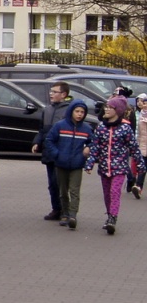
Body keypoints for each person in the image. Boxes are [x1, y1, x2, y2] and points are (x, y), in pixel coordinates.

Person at [85, 96, 145, 235]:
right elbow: (95, 147)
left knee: (115, 192)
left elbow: (134, 148)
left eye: (110, 107)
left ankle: (113, 218)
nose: (106, 109)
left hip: (119, 168)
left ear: (117, 110)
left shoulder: (125, 128)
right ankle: (109, 216)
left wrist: (141, 166)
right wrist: (89, 164)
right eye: (106, 106)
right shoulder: (101, 128)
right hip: (104, 168)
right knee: (107, 195)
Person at [46, 100, 93, 230]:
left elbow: (94, 142)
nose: (79, 114)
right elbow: (49, 140)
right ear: (71, 111)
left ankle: (73, 215)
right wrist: (56, 154)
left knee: (74, 190)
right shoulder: (60, 126)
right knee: (63, 191)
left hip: (77, 164)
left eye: (82, 112)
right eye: (77, 111)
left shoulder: (86, 128)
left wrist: (88, 148)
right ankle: (65, 213)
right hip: (61, 163)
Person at [32, 81, 72, 221]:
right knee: (52, 183)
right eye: (51, 92)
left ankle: (65, 211)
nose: (51, 94)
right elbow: (42, 129)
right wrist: (37, 142)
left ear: (64, 94)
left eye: (54, 92)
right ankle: (56, 209)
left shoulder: (68, 110)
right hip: (48, 152)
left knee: (61, 182)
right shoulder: (47, 109)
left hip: (61, 151)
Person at [133, 93, 147, 199]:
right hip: (142, 146)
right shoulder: (139, 114)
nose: (143, 104)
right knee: (142, 168)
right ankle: (138, 187)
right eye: (143, 102)